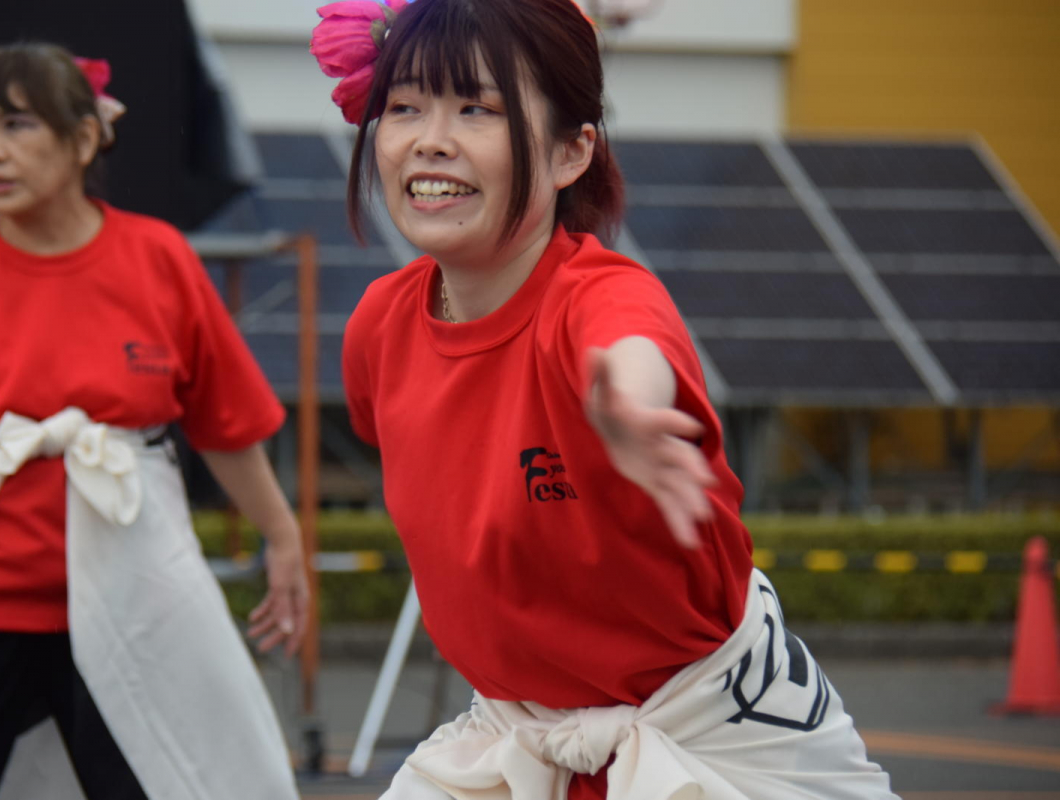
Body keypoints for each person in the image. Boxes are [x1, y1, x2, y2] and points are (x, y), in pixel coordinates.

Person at [312, 0, 900, 798]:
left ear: (569, 151)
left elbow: (630, 345)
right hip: (515, 742)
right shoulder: (378, 328)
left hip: (712, 740)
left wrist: (626, 398)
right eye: (404, 106)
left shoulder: (601, 296)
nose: (429, 138)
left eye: (476, 108)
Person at [0, 43, 305, 800]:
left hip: (134, 609)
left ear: (86, 137)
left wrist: (283, 536)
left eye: (16, 124)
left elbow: (224, 421)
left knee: (182, 782)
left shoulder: (157, 259)